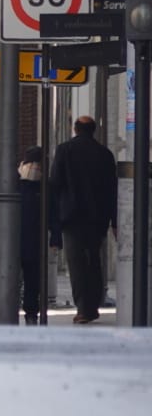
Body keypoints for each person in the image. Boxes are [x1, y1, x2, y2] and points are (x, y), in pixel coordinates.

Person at [49, 116, 119, 324]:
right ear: (93, 130)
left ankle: (83, 308)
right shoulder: (105, 154)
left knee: (77, 263)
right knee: (94, 261)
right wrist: (114, 221)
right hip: (98, 218)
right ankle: (94, 304)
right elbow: (112, 190)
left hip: (72, 217)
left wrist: (54, 221)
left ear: (75, 129)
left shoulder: (64, 150)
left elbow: (55, 185)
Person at [16, 146, 58, 325]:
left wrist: (55, 237)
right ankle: (27, 311)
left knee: (33, 280)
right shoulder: (15, 184)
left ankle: (31, 311)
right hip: (23, 240)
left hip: (32, 240)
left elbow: (53, 214)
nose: (36, 169)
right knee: (26, 279)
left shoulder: (43, 187)